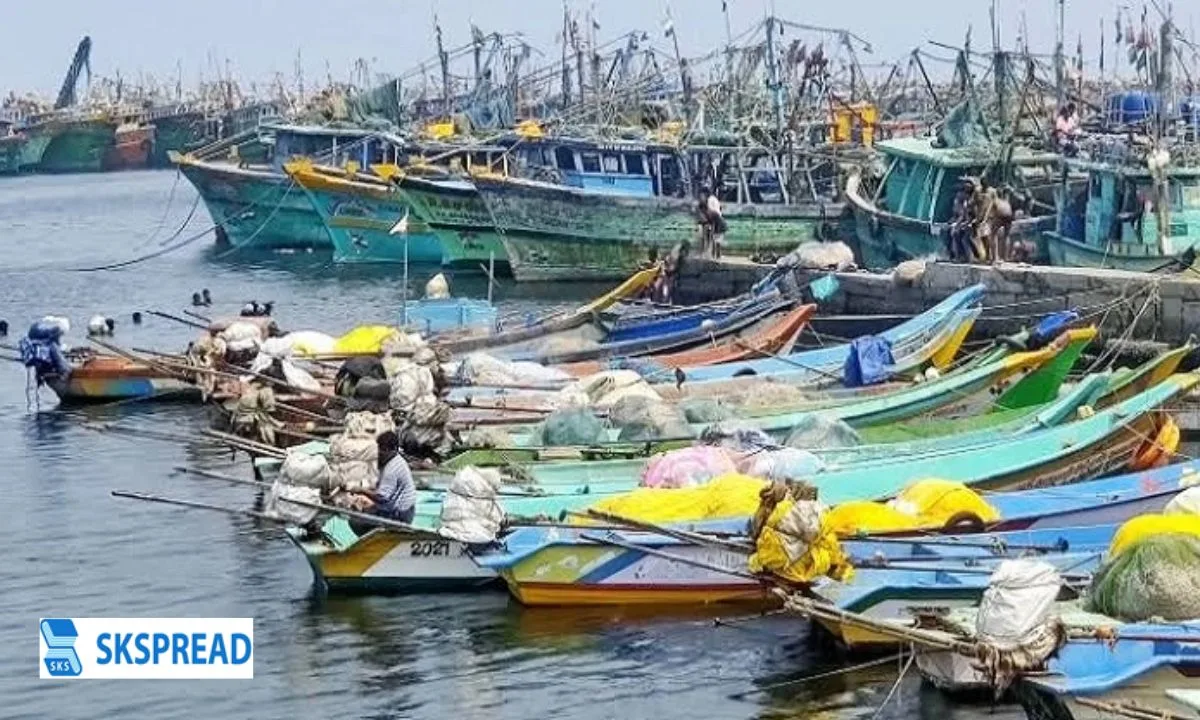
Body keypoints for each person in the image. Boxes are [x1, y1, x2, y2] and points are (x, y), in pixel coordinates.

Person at [373, 430, 417, 523]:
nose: (380, 453)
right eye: (379, 449)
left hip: (400, 514)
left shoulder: (392, 468)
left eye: (384, 450)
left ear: (394, 450)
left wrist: (361, 490)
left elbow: (382, 498)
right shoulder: (393, 459)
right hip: (404, 509)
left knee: (357, 521)